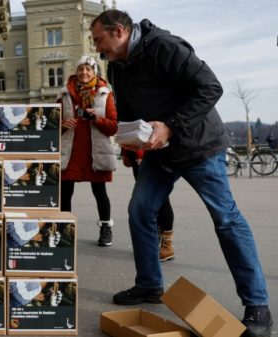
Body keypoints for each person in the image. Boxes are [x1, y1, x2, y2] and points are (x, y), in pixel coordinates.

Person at [90, 10, 272, 337]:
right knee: (140, 210)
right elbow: (129, 107)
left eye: (99, 40)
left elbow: (210, 88)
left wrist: (171, 127)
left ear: (118, 31)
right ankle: (149, 284)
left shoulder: (165, 46)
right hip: (160, 152)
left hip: (199, 145)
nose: (96, 48)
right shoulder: (116, 64)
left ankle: (257, 305)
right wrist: (132, 144)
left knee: (226, 219)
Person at [57, 55, 118, 247]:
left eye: (88, 69)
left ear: (95, 72)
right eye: (81, 69)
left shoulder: (104, 93)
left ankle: (106, 228)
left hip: (95, 151)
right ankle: (64, 231)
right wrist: (63, 125)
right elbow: (51, 125)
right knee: (65, 193)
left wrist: (96, 119)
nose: (84, 72)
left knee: (100, 191)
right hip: (71, 150)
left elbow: (113, 127)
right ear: (76, 72)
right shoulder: (64, 93)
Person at [122, 149, 175, 261]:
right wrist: (126, 152)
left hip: (154, 150)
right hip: (137, 150)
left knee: (160, 195)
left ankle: (167, 245)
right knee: (149, 197)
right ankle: (155, 240)